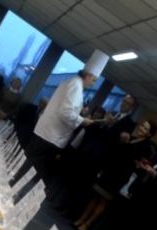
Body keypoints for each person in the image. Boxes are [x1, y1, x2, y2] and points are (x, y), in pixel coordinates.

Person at [25, 50, 109, 186]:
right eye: (94, 80)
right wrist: (82, 120)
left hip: (46, 133)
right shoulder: (76, 86)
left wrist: (79, 113)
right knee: (30, 171)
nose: (93, 84)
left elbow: (65, 109)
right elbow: (65, 113)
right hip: (50, 136)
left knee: (28, 165)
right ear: (88, 75)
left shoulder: (72, 82)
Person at [72, 120, 157, 230]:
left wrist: (125, 143)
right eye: (142, 125)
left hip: (120, 175)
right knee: (95, 194)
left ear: (150, 134)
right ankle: (81, 219)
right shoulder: (131, 138)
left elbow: (132, 160)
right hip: (111, 169)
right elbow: (118, 151)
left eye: (145, 128)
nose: (141, 128)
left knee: (103, 200)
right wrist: (122, 142)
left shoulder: (146, 147)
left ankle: (87, 225)